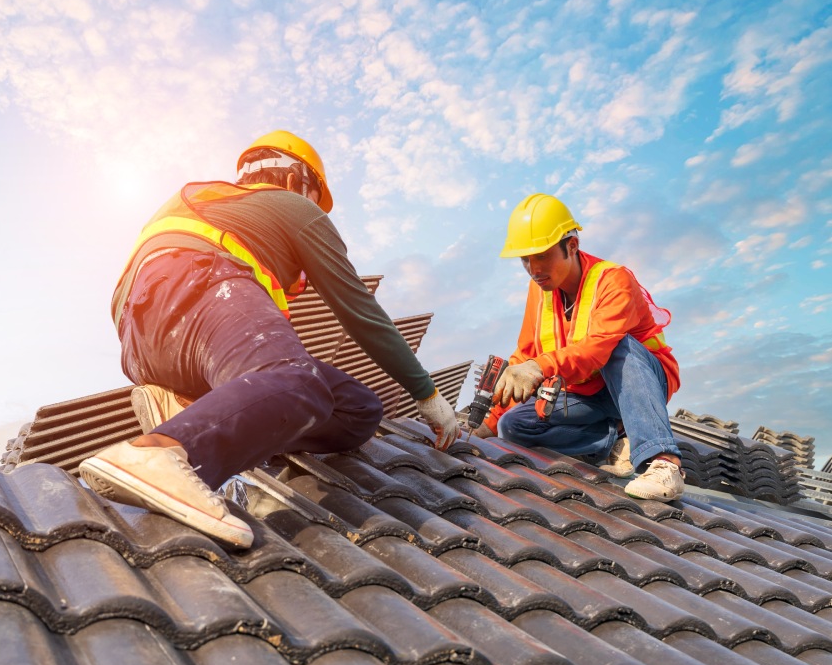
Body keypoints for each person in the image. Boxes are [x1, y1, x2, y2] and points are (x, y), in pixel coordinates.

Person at [79, 130, 461, 548]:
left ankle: (188, 412)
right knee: (298, 380)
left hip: (144, 342)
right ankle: (162, 452)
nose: (316, 208)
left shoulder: (218, 207)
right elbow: (361, 314)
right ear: (298, 180)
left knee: (358, 410)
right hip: (198, 285)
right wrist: (427, 395)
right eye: (315, 195)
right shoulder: (291, 206)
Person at [482, 193, 685, 502]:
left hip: (639, 383)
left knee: (619, 346)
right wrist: (489, 420)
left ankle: (663, 462)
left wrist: (538, 367)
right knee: (515, 425)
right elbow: (526, 353)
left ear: (571, 246)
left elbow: (597, 349)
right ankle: (614, 440)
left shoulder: (613, 281)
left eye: (542, 255)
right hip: (589, 393)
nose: (533, 269)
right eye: (525, 259)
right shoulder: (541, 291)